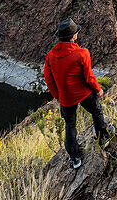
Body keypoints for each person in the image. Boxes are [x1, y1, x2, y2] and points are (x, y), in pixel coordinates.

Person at [44, 19, 110, 169]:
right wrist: (98, 89)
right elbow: (89, 77)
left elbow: (48, 78)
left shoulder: (50, 56)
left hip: (66, 98)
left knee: (70, 125)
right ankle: (103, 140)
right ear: (73, 36)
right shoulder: (82, 53)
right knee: (96, 111)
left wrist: (57, 95)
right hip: (83, 93)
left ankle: (75, 157)